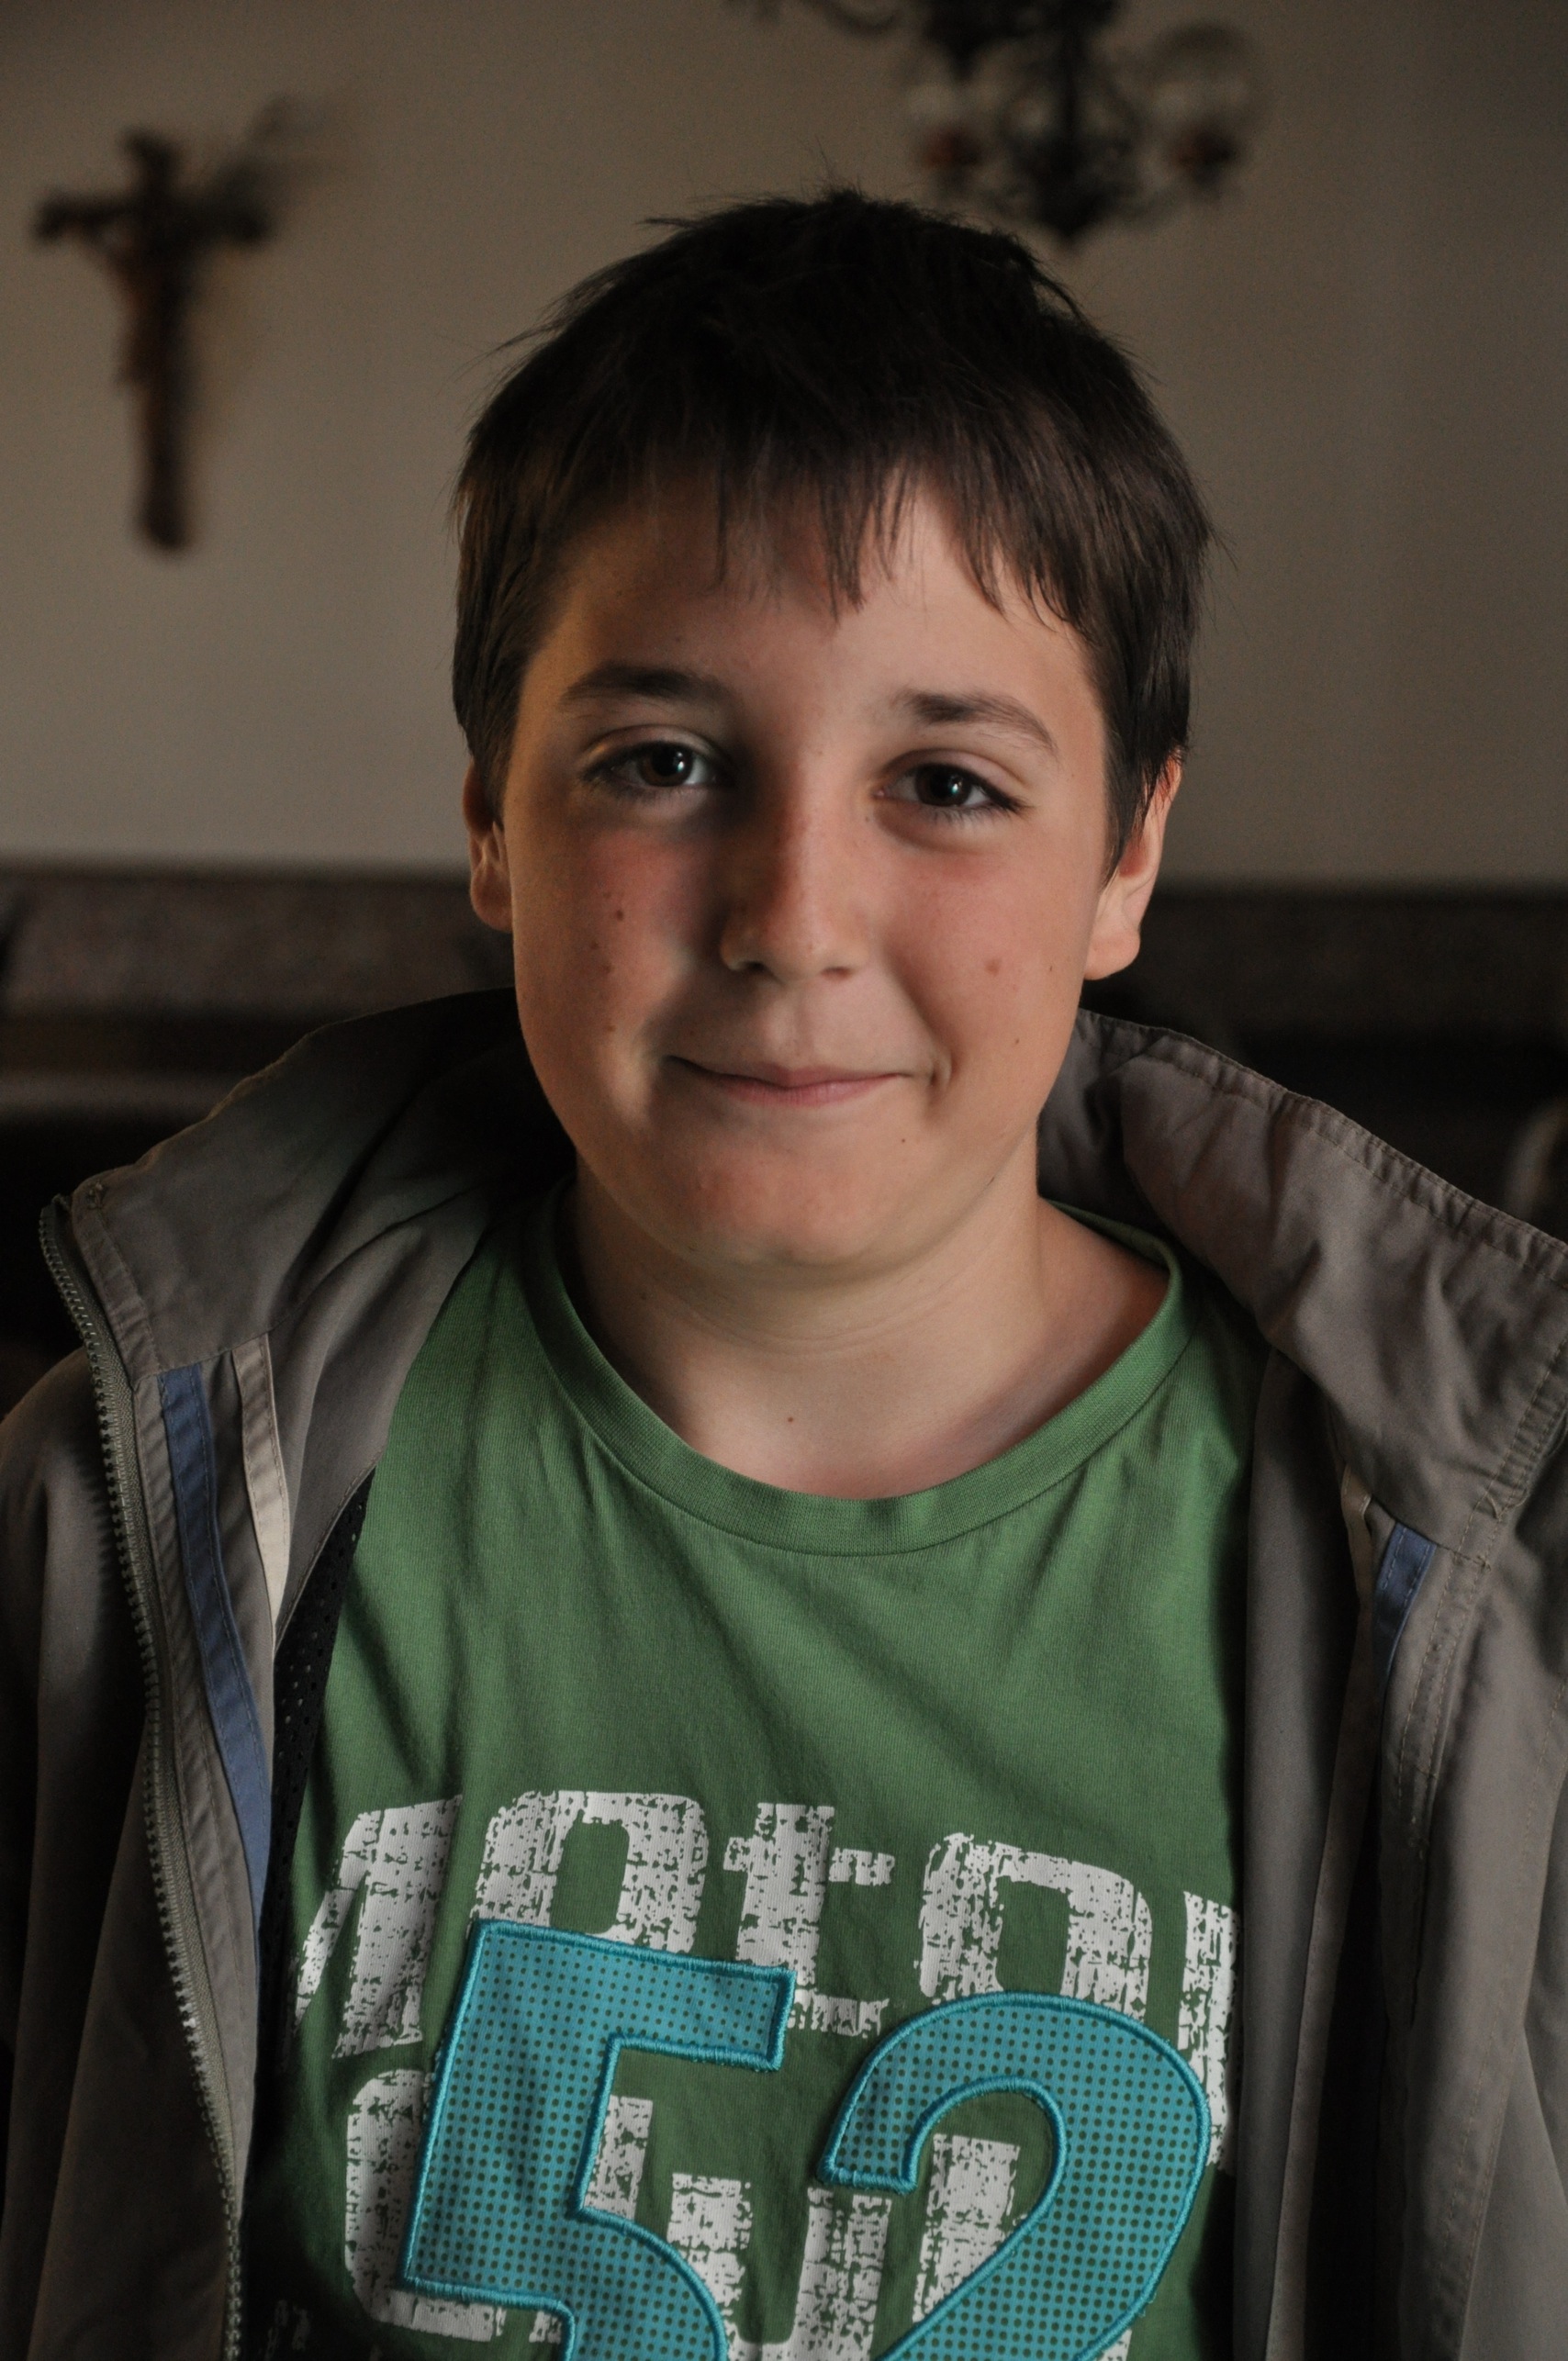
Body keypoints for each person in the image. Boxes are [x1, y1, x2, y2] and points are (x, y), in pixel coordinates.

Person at [2, 191, 1565, 2361]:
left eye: (945, 782)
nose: (792, 916)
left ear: (1125, 853)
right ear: (490, 821)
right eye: (661, 763)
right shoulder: (124, 1509)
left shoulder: (1470, 1588)